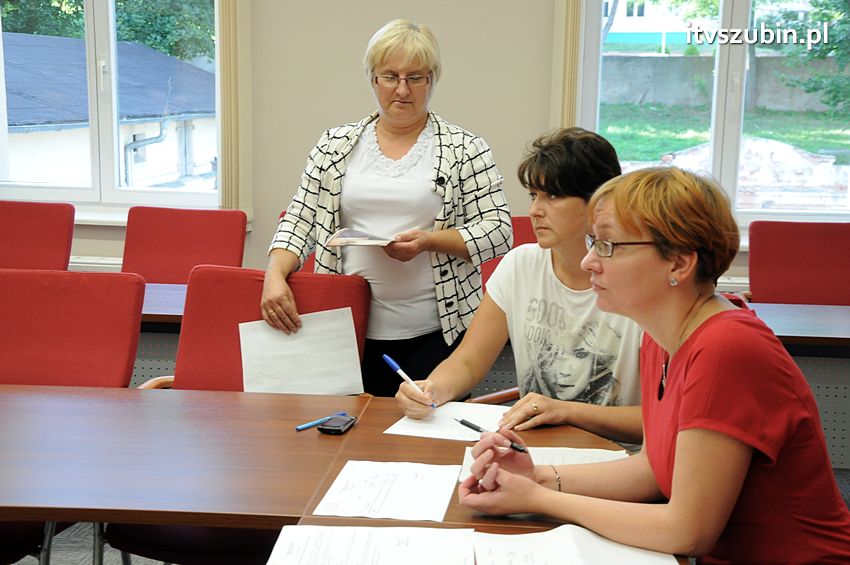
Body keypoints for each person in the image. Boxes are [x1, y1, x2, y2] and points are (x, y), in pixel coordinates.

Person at [458, 167, 850, 563]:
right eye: (594, 242)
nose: (591, 261)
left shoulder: (726, 348)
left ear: (678, 264)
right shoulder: (662, 337)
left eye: (609, 245)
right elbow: (652, 470)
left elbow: (686, 531)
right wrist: (536, 475)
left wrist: (541, 499)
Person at [261, 19, 512, 396]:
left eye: (416, 77)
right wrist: (274, 275)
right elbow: (300, 217)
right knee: (341, 436)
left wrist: (430, 241)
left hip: (438, 332)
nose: (402, 89)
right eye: (390, 76)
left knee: (428, 440)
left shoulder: (466, 148)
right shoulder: (335, 144)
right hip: (344, 329)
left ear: (432, 80)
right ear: (373, 78)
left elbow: (498, 230)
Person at [396, 128, 643, 445]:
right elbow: (468, 362)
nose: (535, 210)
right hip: (534, 451)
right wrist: (430, 389)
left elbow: (659, 420)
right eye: (533, 195)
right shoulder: (519, 265)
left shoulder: (637, 283)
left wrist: (565, 411)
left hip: (618, 461)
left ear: (597, 201)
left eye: (552, 196)